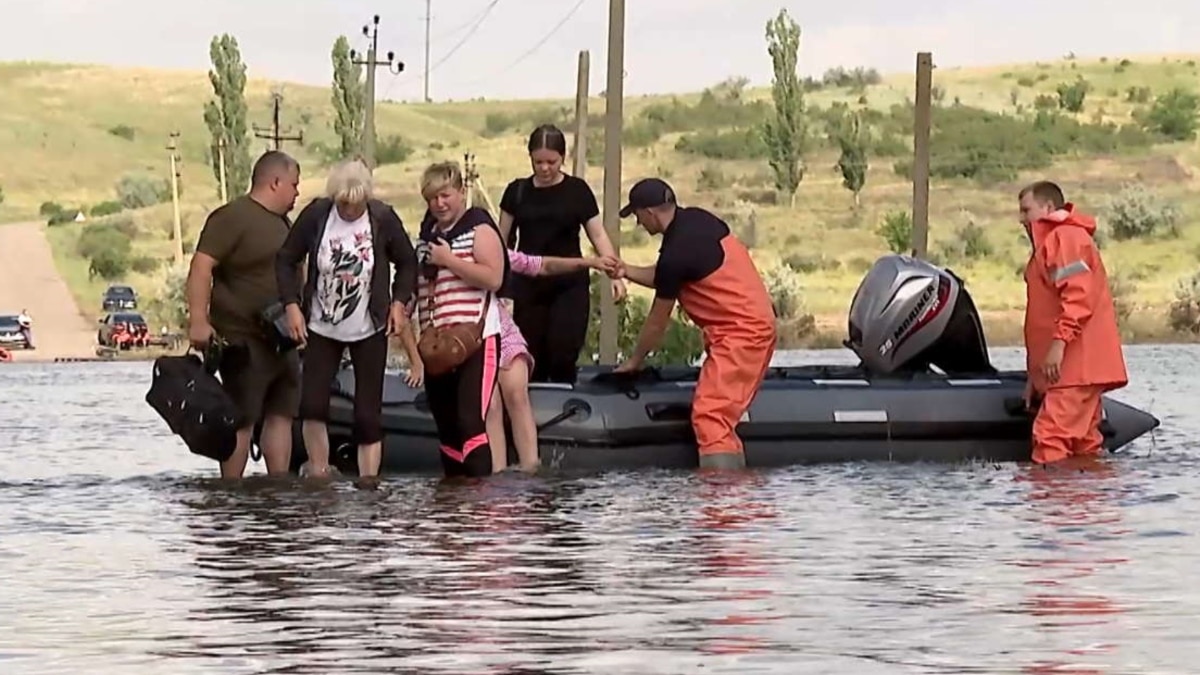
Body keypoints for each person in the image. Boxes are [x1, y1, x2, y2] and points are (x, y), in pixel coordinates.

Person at [611, 178, 777, 471]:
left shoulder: (678, 251)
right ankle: (736, 495)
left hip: (741, 336)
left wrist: (634, 362)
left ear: (650, 212)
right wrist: (626, 271)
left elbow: (656, 322)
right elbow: (669, 276)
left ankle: (722, 505)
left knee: (710, 416)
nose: (638, 223)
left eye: (637, 215)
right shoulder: (697, 223)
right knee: (720, 418)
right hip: (752, 329)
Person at [276, 159, 419, 480]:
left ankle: (369, 483)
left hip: (368, 325)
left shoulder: (382, 218)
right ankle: (319, 472)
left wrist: (398, 303)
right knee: (312, 405)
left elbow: (408, 263)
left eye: (356, 204)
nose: (350, 210)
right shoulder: (317, 214)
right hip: (320, 324)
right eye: (344, 204)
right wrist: (291, 305)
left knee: (367, 416)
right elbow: (286, 259)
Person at [187, 150, 302, 479]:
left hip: (283, 339)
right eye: (293, 185)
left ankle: (277, 486)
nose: (296, 193)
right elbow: (201, 266)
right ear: (275, 182)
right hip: (242, 339)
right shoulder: (231, 217)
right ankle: (232, 489)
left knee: (282, 414)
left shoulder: (284, 223)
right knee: (243, 417)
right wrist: (198, 319)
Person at [498, 124, 627, 384]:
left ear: (563, 158)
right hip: (529, 284)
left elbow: (598, 234)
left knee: (563, 349)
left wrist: (615, 274)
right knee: (531, 353)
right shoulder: (517, 192)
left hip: (569, 285)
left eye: (551, 162)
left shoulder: (577, 191)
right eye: (538, 162)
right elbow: (501, 241)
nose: (545, 168)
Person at [1018, 181, 1128, 465]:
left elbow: (1078, 297)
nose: (1021, 219)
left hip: (1075, 366)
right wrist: (1037, 373)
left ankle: (1052, 506)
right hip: (1074, 368)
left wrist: (1059, 344)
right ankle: (1085, 503)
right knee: (1083, 441)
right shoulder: (1055, 242)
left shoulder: (1064, 239)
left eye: (1025, 210)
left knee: (1050, 436)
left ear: (1048, 207)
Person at [486, 249, 619, 473]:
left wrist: (589, 262)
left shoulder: (496, 253)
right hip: (473, 340)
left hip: (503, 335)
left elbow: (542, 265)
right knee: (490, 403)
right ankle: (496, 472)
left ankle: (530, 467)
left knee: (516, 391)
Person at [415, 161, 508, 478]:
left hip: (477, 339)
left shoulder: (479, 228)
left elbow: (494, 278)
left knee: (470, 420)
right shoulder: (427, 237)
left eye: (445, 195)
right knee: (447, 425)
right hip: (440, 340)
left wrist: (449, 260)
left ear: (461, 193)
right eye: (432, 198)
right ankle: (453, 502)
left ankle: (480, 501)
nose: (439, 204)